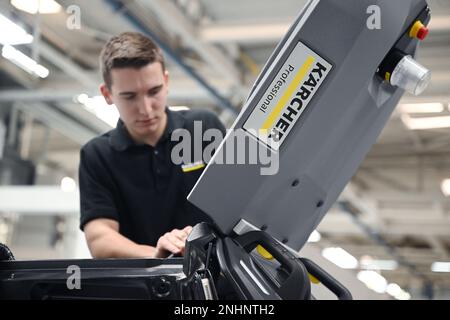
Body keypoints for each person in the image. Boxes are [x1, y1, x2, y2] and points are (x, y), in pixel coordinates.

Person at [78, 32, 226, 259]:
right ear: (107, 94)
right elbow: (100, 239)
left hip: (219, 284)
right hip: (147, 288)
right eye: (129, 97)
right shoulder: (97, 155)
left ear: (166, 82)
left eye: (154, 91)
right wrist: (159, 255)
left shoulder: (203, 128)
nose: (145, 109)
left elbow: (240, 205)